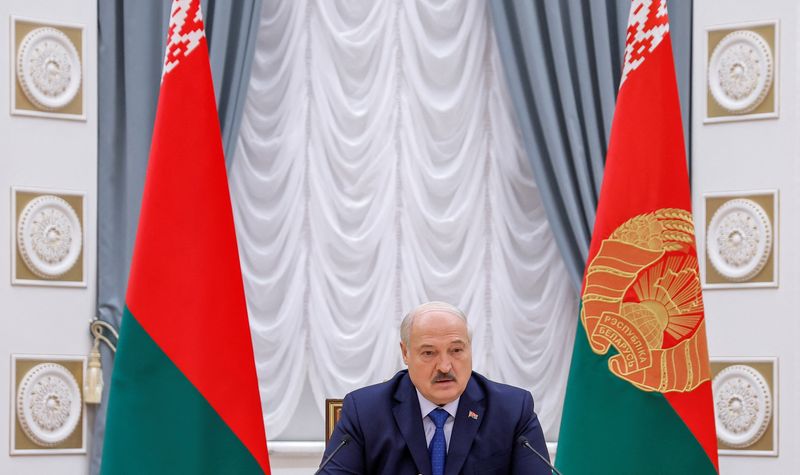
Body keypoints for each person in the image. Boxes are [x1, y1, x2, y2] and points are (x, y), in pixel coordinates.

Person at [319, 301, 551, 474]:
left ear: (470, 348)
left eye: (456, 350)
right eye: (429, 353)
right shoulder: (364, 411)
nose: (445, 366)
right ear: (405, 353)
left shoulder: (512, 410)